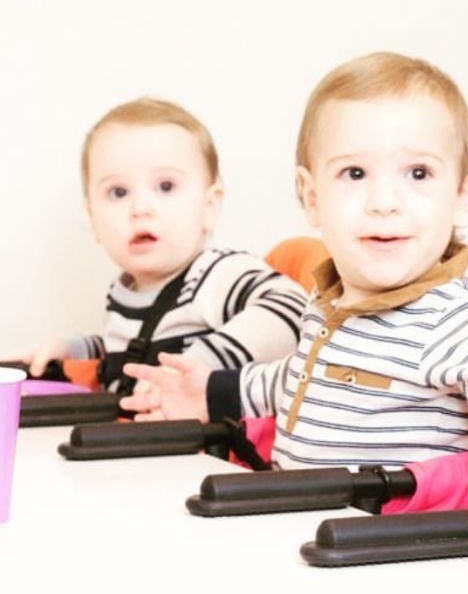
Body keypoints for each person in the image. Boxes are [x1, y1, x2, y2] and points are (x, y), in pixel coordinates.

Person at [120, 53, 468, 501]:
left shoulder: (454, 317)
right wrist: (210, 392)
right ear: (311, 197)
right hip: (304, 531)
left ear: (462, 193)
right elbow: (298, 381)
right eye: (354, 174)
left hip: (394, 547)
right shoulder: (328, 304)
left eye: (418, 174)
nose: (384, 202)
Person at [12, 98, 307, 389]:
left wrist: (204, 360)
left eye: (165, 186)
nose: (140, 208)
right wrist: (73, 349)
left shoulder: (214, 274)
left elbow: (296, 310)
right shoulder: (123, 293)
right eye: (118, 192)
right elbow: (127, 351)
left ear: (209, 207)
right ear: (93, 220)